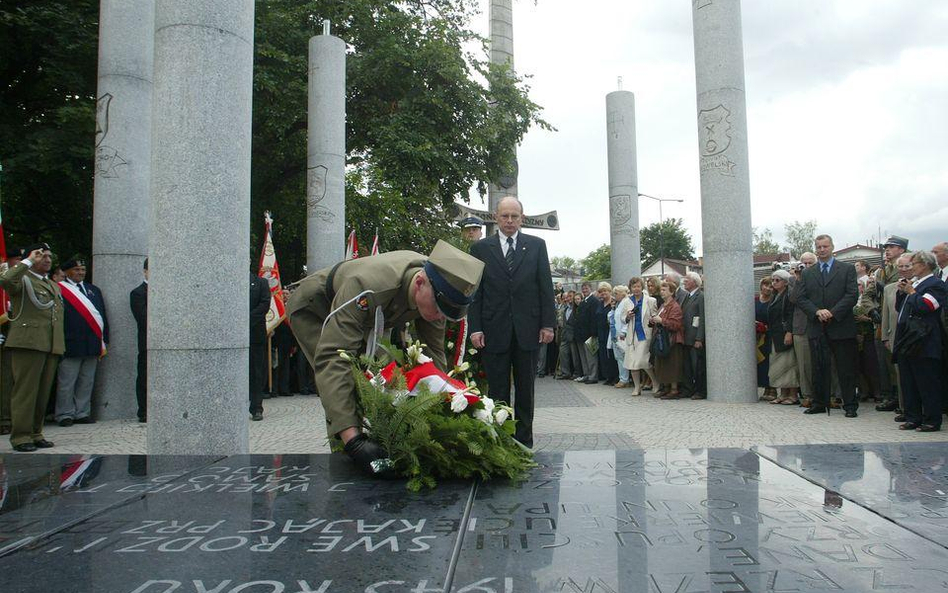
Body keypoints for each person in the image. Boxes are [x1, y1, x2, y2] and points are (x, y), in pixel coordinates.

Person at [287, 240, 484, 474]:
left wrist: (439, 410)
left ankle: (384, 446)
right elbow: (334, 358)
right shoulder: (367, 286)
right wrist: (354, 441)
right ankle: (346, 460)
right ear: (419, 284)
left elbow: (435, 356)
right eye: (440, 309)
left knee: (385, 380)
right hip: (316, 308)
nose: (441, 316)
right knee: (348, 380)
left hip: (371, 319)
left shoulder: (438, 288)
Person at [469, 196, 554, 448]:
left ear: (522, 218)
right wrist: (475, 328)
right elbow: (477, 292)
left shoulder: (537, 246)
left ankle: (525, 442)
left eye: (514, 216)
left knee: (526, 390)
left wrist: (548, 324)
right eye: (504, 216)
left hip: (528, 331)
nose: (509, 221)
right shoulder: (481, 249)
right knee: (497, 391)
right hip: (494, 330)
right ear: (496, 217)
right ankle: (502, 443)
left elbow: (545, 287)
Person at [0, 243, 64, 452]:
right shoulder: (23, 279)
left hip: (49, 343)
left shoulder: (53, 285)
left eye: (48, 256)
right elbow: (6, 280)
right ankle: (20, 437)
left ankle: (36, 432)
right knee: (25, 391)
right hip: (28, 342)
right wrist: (27, 261)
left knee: (42, 392)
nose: (46, 259)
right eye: (41, 256)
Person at [795, 234, 859, 417]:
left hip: (840, 325)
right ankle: (819, 402)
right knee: (818, 366)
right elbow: (801, 298)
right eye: (819, 247)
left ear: (832, 247)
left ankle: (850, 404)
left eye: (825, 246)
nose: (822, 250)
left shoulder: (846, 269)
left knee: (845, 368)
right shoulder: (808, 272)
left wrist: (832, 312)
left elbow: (851, 295)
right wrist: (817, 311)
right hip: (817, 326)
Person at [893, 250, 947, 431]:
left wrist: (912, 292)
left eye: (913, 264)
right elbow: (900, 308)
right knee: (909, 381)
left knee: (927, 382)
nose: (910, 268)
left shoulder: (935, 284)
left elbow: (927, 306)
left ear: (924, 265)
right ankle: (913, 416)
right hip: (908, 340)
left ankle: (932, 419)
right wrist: (903, 292)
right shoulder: (915, 284)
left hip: (925, 340)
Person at [55, 256, 109, 426]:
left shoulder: (94, 290)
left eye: (83, 270)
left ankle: (82, 412)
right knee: (67, 381)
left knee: (87, 381)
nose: (80, 273)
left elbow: (102, 316)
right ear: (67, 272)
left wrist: (105, 339)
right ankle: (64, 414)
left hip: (92, 342)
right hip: (70, 342)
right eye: (76, 270)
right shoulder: (59, 290)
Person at [766, 269, 799, 404]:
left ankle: (793, 395)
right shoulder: (774, 296)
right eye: (773, 280)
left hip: (785, 333)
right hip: (775, 334)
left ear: (785, 282)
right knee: (778, 365)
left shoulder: (789, 295)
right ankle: (782, 394)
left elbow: (791, 314)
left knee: (789, 364)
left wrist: (789, 332)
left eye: (777, 280)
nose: (774, 283)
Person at [789, 252, 817, 407]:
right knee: (804, 364)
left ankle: (832, 394)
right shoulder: (794, 280)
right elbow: (793, 299)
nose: (806, 266)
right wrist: (799, 279)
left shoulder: (821, 277)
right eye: (803, 263)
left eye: (810, 263)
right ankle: (807, 395)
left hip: (820, 323)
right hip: (801, 326)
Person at [623, 277, 658, 396]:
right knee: (632, 362)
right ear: (630, 288)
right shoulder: (627, 301)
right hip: (632, 336)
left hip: (645, 335)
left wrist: (652, 321)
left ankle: (655, 382)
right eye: (634, 287)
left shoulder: (650, 300)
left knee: (643, 361)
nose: (636, 289)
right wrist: (628, 316)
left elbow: (654, 316)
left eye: (638, 286)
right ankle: (637, 387)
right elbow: (623, 319)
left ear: (642, 287)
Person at [651, 281, 684, 399]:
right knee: (662, 364)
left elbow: (676, 325)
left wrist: (662, 321)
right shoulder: (663, 305)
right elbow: (659, 318)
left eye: (664, 290)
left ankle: (674, 390)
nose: (661, 292)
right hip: (661, 339)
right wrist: (653, 320)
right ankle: (666, 387)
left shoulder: (675, 306)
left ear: (671, 292)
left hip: (672, 340)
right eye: (661, 290)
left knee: (672, 364)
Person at [680, 272, 706, 399]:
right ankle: (688, 389)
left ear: (695, 282)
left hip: (694, 337)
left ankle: (700, 390)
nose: (684, 281)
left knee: (697, 366)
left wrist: (699, 338)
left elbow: (702, 318)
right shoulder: (687, 296)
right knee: (687, 366)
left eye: (687, 279)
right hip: (686, 336)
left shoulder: (700, 296)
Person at [249, 272, 270, 421]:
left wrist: (245, 319)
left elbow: (264, 304)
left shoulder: (261, 282)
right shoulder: (231, 280)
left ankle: (256, 407)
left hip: (255, 333)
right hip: (232, 334)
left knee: (256, 372)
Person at [129, 258, 148, 423]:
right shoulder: (138, 293)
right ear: (145, 271)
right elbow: (143, 318)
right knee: (144, 376)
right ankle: (143, 411)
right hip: (148, 342)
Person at [573, 281, 600, 384]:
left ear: (591, 289)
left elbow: (594, 318)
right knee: (584, 357)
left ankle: (593, 376)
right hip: (581, 334)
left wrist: (593, 333)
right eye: (583, 289)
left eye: (586, 288)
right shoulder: (584, 302)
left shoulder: (594, 301)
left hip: (589, 334)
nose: (584, 290)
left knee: (591, 356)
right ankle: (587, 374)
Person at [756, 277, 776, 400]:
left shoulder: (773, 301)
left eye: (770, 286)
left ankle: (772, 388)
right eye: (766, 285)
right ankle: (764, 387)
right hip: (756, 336)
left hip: (769, 335)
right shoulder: (754, 300)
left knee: (769, 361)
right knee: (760, 363)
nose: (768, 288)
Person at [596, 282, 618, 385]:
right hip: (601, 332)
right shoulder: (599, 303)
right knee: (604, 355)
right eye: (601, 291)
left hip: (610, 332)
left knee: (612, 355)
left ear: (609, 291)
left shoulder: (614, 303)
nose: (603, 293)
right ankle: (608, 376)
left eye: (605, 290)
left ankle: (615, 376)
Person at [612, 284, 632, 388]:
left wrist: (623, 332)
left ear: (623, 293)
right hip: (617, 332)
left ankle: (624, 379)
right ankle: (623, 378)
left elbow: (627, 319)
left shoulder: (626, 302)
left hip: (623, 334)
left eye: (616, 293)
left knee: (623, 356)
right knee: (619, 357)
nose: (614, 295)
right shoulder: (619, 303)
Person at [555, 291, 576, 379]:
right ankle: (565, 372)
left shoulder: (576, 307)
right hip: (564, 334)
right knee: (563, 352)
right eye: (566, 297)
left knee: (575, 356)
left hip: (573, 334)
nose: (567, 299)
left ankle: (577, 372)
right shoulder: (566, 309)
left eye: (570, 297)